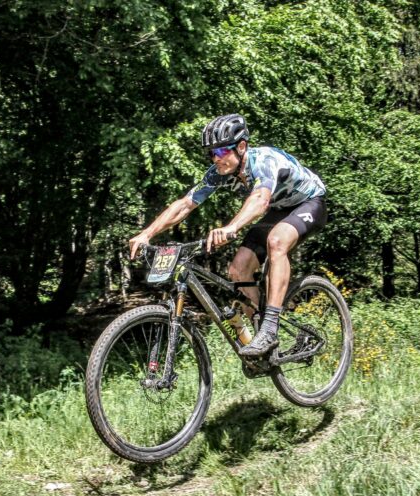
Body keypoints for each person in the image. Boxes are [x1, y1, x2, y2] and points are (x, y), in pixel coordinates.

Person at [129, 113, 328, 356]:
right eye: (211, 153)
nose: (216, 158)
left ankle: (270, 327)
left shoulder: (263, 160)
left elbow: (260, 199)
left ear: (242, 146)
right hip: (278, 210)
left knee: (277, 241)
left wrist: (231, 227)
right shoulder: (217, 173)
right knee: (238, 268)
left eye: (221, 152)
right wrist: (147, 233)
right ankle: (260, 333)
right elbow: (185, 204)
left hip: (308, 203)